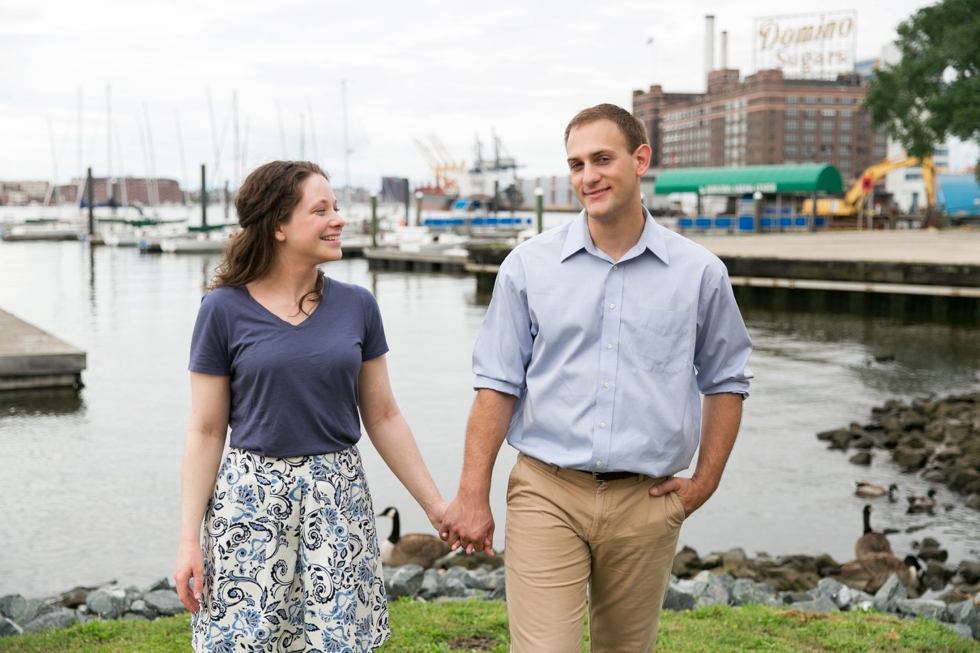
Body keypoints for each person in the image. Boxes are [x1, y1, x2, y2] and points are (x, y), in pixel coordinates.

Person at [440, 104, 753, 652]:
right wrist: (473, 493)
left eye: (602, 159)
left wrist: (703, 483)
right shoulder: (527, 267)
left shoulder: (700, 273)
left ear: (640, 160)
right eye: (577, 164)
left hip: (646, 500)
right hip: (547, 491)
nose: (589, 177)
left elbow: (726, 379)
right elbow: (496, 385)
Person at [174, 161, 446, 652]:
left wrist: (436, 506)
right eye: (320, 210)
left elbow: (383, 416)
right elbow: (206, 430)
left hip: (338, 497)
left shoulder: (358, 305)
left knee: (339, 641)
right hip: (249, 504)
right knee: (246, 641)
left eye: (336, 207)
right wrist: (187, 540)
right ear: (278, 225)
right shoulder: (222, 310)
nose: (339, 219)